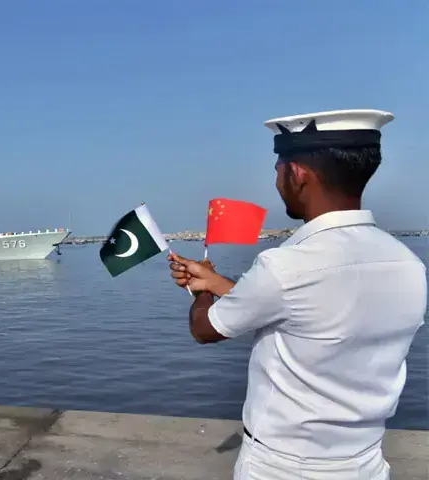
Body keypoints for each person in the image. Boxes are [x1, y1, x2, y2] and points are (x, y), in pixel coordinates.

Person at [168, 109, 427, 479]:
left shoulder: (284, 266)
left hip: (284, 468)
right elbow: (310, 308)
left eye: (278, 172)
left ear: (297, 174)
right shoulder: (408, 265)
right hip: (365, 464)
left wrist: (199, 292)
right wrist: (216, 282)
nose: (276, 183)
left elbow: (205, 329)